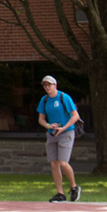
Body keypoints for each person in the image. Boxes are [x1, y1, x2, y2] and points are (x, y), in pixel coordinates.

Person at [36, 74, 81, 202]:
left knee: (63, 162)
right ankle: (60, 193)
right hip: (52, 134)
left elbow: (75, 116)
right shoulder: (44, 100)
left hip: (66, 133)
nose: (47, 87)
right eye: (45, 85)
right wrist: (48, 125)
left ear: (55, 85)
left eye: (49, 85)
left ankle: (74, 186)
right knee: (54, 164)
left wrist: (64, 127)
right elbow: (41, 119)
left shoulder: (63, 97)